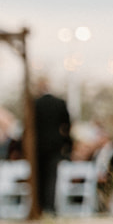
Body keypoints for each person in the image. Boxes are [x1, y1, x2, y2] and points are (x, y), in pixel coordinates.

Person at [33, 77, 72, 215]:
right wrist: (67, 143)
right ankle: (50, 206)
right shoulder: (59, 103)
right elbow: (67, 125)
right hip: (55, 145)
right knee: (52, 177)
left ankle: (41, 205)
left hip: (38, 147)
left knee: (40, 176)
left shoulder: (35, 104)